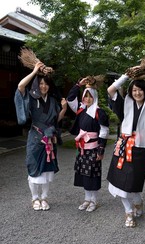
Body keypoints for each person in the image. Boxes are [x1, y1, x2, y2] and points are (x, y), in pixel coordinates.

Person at [107, 66, 145, 227]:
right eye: (134, 90)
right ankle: (128, 213)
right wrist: (126, 75)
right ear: (130, 91)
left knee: (134, 184)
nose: (137, 93)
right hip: (123, 147)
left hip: (141, 152)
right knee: (119, 182)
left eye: (140, 90)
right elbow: (111, 90)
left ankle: (138, 202)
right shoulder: (125, 105)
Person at [14, 62, 67, 211]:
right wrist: (35, 71)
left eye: (46, 84)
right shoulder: (32, 98)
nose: (43, 87)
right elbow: (20, 87)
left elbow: (56, 119)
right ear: (37, 85)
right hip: (35, 138)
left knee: (47, 170)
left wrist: (63, 109)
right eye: (41, 84)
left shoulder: (52, 101)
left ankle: (44, 198)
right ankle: (34, 198)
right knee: (34, 167)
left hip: (49, 139)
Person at [67, 76, 109, 212]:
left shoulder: (99, 113)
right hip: (82, 148)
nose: (87, 99)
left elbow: (104, 131)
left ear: (94, 97)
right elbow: (70, 99)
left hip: (94, 147)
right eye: (85, 96)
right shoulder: (81, 110)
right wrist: (79, 85)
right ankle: (87, 199)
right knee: (84, 173)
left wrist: (101, 149)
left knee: (93, 174)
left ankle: (94, 201)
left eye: (90, 97)